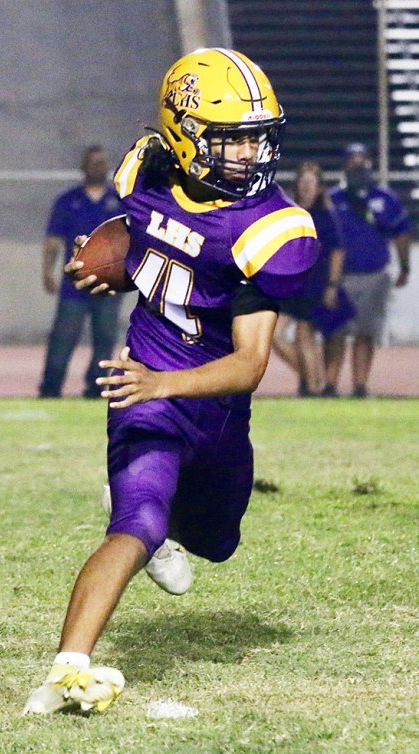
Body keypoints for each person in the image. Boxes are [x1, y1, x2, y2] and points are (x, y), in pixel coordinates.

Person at [24, 47, 320, 716]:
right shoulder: (147, 175)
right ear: (184, 136)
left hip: (211, 407)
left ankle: (174, 535)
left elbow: (249, 365)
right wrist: (108, 259)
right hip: (143, 389)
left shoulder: (270, 229)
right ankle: (66, 672)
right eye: (231, 138)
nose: (248, 153)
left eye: (255, 137)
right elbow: (140, 238)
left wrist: (167, 384)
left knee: (217, 543)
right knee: (137, 519)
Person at [324, 142, 411, 398]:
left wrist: (404, 265)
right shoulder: (333, 199)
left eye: (362, 158)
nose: (358, 164)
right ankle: (330, 384)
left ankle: (360, 385)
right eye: (353, 159)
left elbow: (401, 233)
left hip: (374, 275)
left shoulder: (385, 198)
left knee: (365, 332)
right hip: (340, 277)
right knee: (336, 332)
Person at [39, 145, 124, 398]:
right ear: (83, 167)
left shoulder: (118, 201)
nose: (98, 167)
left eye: (102, 163)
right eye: (93, 162)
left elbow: (132, 238)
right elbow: (53, 240)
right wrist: (47, 271)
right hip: (74, 286)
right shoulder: (68, 201)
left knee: (105, 340)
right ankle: (50, 389)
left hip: (108, 285)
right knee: (62, 339)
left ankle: (95, 390)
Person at [272, 161, 352, 396]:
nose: (307, 187)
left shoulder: (324, 215)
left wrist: (333, 285)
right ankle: (311, 378)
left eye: (311, 183)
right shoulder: (288, 212)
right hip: (291, 284)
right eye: (303, 182)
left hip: (314, 282)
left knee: (306, 334)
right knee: (276, 336)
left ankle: (315, 385)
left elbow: (337, 251)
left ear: (319, 188)